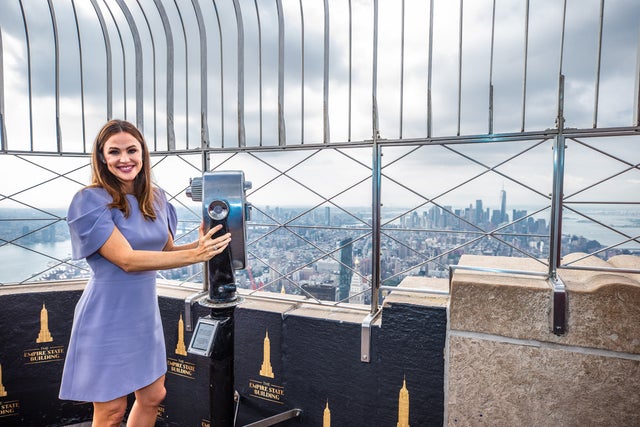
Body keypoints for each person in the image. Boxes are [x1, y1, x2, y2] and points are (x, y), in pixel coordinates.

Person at [59, 119, 230, 426]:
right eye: (114, 152)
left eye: (131, 150)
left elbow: (164, 252)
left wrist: (199, 243)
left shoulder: (157, 198)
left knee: (153, 397)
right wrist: (195, 254)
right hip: (107, 315)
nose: (124, 159)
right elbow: (126, 259)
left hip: (142, 314)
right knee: (111, 412)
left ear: (143, 153)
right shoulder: (90, 201)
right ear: (101, 158)